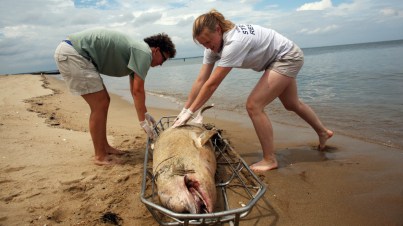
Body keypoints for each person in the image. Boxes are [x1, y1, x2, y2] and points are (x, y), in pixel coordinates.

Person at [172, 9, 333, 172]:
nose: (208, 47)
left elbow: (212, 84)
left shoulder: (234, 42)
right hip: (277, 58)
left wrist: (191, 112)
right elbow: (201, 80)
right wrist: (184, 110)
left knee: (253, 105)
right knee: (291, 104)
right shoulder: (212, 48)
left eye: (208, 41)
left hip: (286, 57)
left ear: (218, 30)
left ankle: (270, 159)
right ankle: (323, 132)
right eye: (203, 44)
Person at [54, 28, 176, 165]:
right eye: (164, 59)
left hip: (73, 52)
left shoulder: (137, 52)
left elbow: (134, 90)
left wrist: (145, 115)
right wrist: (143, 122)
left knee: (104, 101)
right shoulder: (144, 53)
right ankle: (100, 156)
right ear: (156, 50)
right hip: (74, 53)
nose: (161, 64)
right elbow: (138, 91)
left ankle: (104, 147)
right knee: (99, 104)